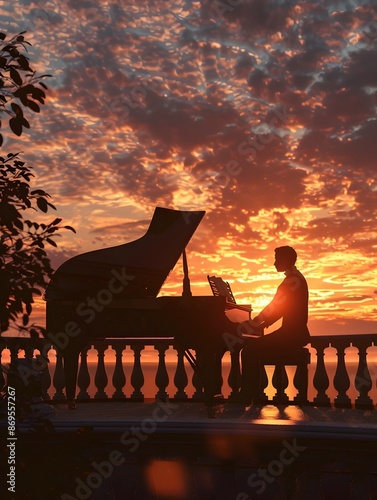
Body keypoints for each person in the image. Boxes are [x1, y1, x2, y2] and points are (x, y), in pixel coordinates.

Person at [237, 246, 310, 404]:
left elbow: (275, 308)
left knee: (249, 351)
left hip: (290, 336)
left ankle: (247, 396)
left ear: (286, 260)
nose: (274, 263)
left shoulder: (291, 281)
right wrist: (259, 324)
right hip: (294, 334)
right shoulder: (296, 278)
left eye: (277, 259)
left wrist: (256, 323)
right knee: (252, 348)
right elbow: (277, 309)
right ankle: (251, 395)